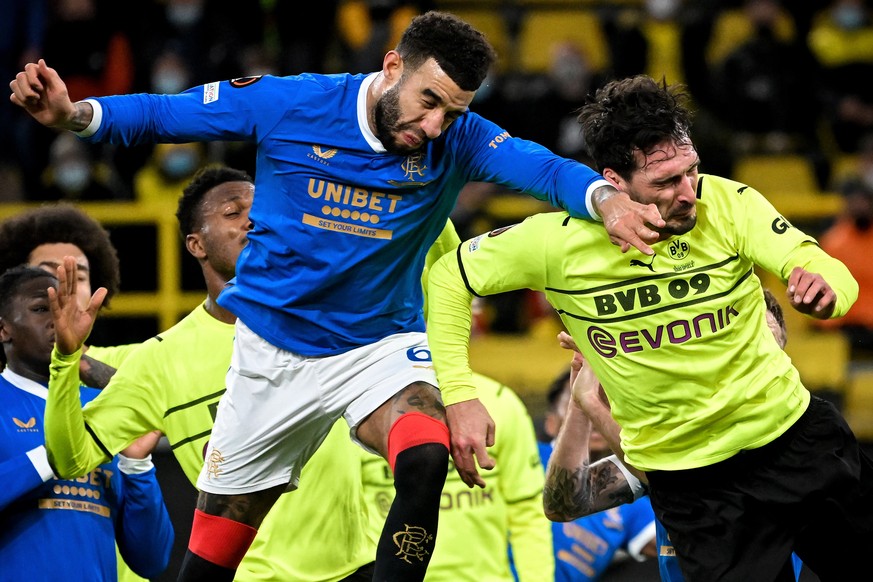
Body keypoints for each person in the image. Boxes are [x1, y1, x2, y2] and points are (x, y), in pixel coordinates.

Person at [11, 11, 663, 581]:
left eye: (453, 111)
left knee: (426, 453)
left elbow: (539, 166)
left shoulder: (457, 137)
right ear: (390, 67)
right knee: (210, 561)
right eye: (428, 100)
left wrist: (603, 197)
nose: (435, 125)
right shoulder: (293, 103)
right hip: (272, 353)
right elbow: (164, 113)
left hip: (379, 342)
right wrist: (75, 116)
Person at [425, 74, 873, 581]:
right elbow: (447, 276)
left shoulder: (725, 203)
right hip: (696, 489)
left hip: (797, 441)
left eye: (691, 171)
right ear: (614, 182)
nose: (688, 193)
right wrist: (458, 393)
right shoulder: (554, 245)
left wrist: (826, 287)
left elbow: (813, 260)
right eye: (665, 183)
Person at [44, 164, 378, 581]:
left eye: (261, 208)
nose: (252, 219)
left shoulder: (335, 319)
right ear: (196, 244)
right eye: (233, 211)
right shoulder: (163, 360)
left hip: (357, 570)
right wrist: (65, 358)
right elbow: (70, 457)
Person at [543, 289, 802, 582]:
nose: (754, 356)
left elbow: (680, 481)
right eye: (742, 342)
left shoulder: (795, 443)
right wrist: (580, 397)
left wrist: (592, 403)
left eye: (767, 345)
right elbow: (564, 503)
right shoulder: (672, 440)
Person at [0, 265, 173, 581]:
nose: (59, 319)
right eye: (42, 309)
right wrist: (57, 455)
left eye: (65, 309)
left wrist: (136, 465)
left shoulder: (100, 408)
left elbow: (152, 558)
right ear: (3, 329)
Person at [0, 202, 137, 386]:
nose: (65, 287)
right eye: (47, 273)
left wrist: (70, 355)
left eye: (78, 277)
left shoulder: (134, 359)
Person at [540, 368, 657, 580]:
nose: (592, 415)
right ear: (550, 423)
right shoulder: (527, 458)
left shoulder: (632, 492)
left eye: (610, 400)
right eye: (574, 401)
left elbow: (679, 541)